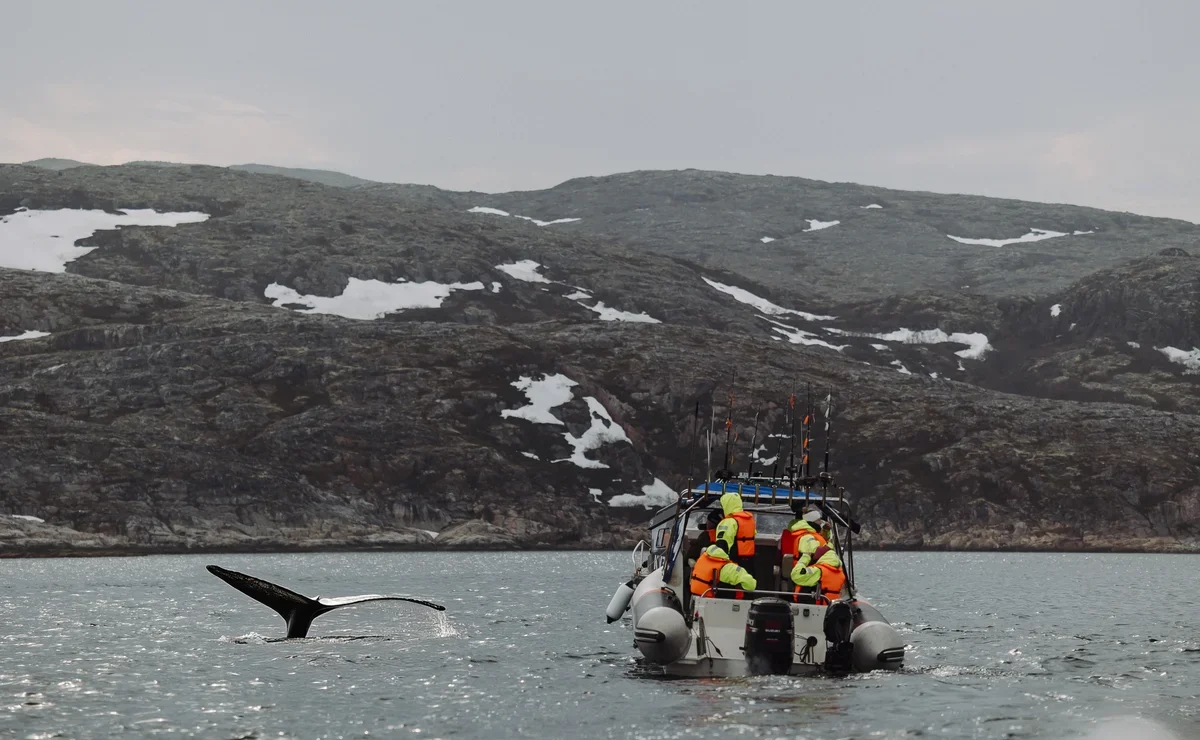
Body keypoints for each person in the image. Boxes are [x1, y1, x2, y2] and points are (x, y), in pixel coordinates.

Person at [689, 540, 758, 599]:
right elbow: (751, 585)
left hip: (697, 598)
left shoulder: (703, 557)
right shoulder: (728, 568)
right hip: (717, 602)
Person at [714, 491, 756, 564]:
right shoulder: (750, 520)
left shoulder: (728, 522)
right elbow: (754, 535)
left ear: (726, 505)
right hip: (748, 562)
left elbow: (722, 544)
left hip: (732, 562)